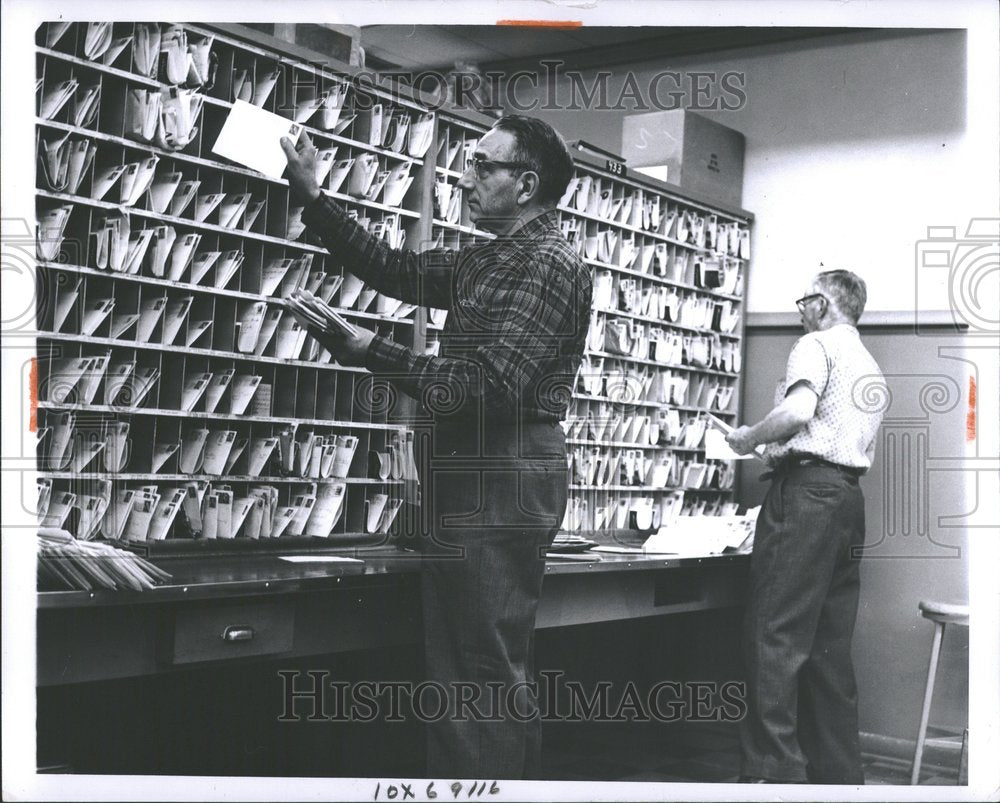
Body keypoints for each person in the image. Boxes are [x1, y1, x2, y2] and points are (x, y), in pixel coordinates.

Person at [281, 115, 592, 779]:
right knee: (472, 667)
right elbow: (396, 268)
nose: (464, 176)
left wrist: (373, 351)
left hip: (499, 466)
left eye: (483, 166)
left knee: (477, 675)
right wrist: (314, 196)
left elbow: (493, 388)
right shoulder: (494, 257)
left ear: (527, 183)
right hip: (478, 469)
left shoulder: (546, 263)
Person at [726, 269, 884, 784]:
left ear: (820, 304)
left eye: (803, 301)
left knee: (774, 637)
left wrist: (750, 438)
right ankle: (839, 781)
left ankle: (772, 780)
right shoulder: (870, 366)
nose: (798, 311)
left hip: (807, 495)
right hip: (847, 502)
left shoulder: (815, 345)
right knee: (828, 650)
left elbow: (797, 411)